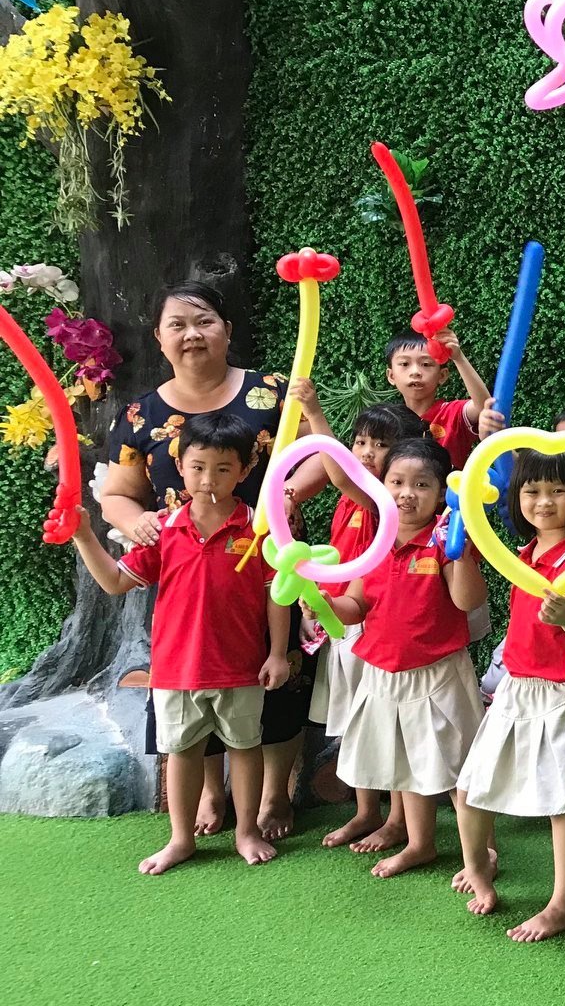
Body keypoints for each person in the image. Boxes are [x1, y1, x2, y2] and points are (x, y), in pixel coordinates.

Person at [100, 276, 314, 843]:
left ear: (226, 330)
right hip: (186, 564)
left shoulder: (271, 392)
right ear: (159, 337)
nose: (192, 334)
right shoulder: (140, 415)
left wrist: (287, 495)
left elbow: (319, 452)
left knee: (277, 676)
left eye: (204, 321)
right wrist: (136, 523)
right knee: (196, 675)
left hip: (266, 560)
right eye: (178, 324)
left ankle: (274, 794)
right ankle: (210, 794)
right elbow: (117, 493)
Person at [71, 412, 292, 874]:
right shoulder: (162, 530)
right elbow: (115, 582)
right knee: (182, 752)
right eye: (198, 467)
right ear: (179, 466)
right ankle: (180, 839)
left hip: (241, 667)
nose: (208, 479)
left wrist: (276, 653)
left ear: (246, 471)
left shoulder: (260, 528)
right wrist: (84, 535)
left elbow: (277, 594)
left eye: (223, 469)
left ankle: (246, 831)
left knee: (245, 748)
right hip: (176, 669)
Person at [453, 448, 565, 943]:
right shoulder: (526, 553)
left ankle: (564, 904)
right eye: (532, 491)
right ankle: (479, 866)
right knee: (468, 789)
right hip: (517, 688)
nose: (544, 501)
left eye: (558, 490)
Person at [328, 438, 486, 879]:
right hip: (384, 672)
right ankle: (420, 845)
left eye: (421, 484)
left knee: (460, 768)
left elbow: (467, 601)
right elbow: (355, 606)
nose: (406, 493)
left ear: (442, 493)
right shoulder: (375, 543)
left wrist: (460, 553)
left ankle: (482, 853)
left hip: (438, 673)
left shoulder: (444, 540)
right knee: (407, 763)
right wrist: (325, 603)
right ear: (382, 485)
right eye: (396, 482)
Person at [289, 394, 424, 852]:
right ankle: (368, 812)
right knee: (358, 722)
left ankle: (399, 820)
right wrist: (317, 608)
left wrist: (314, 414)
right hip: (343, 622)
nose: (366, 452)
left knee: (389, 724)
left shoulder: (383, 501)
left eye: (380, 444)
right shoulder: (350, 503)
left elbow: (340, 474)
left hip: (375, 626)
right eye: (360, 441)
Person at [384, 326, 489, 468]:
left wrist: (458, 358)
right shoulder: (387, 422)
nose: (415, 372)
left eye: (426, 364)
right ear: (391, 376)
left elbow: (485, 407)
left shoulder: (453, 414)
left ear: (442, 375)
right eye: (404, 364)